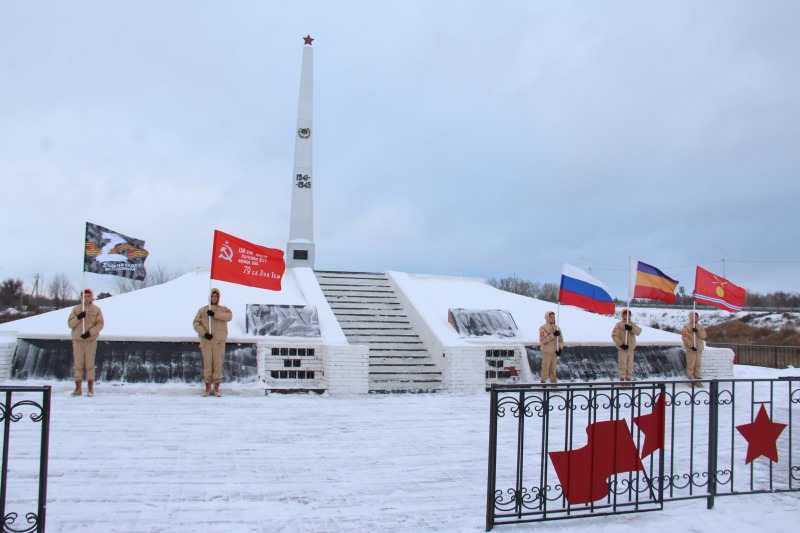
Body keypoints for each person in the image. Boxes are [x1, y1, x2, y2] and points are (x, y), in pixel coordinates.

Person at [193, 288, 233, 397]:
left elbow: (229, 316)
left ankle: (216, 388)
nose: (214, 298)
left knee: (218, 365)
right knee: (207, 365)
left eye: (216, 296)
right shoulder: (202, 310)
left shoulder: (223, 309)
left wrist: (215, 314)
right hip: (207, 342)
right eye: (212, 296)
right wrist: (204, 333)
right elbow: (196, 323)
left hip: (219, 343)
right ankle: (207, 389)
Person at [67, 288, 105, 397]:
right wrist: (79, 317)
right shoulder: (76, 309)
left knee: (90, 365)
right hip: (78, 341)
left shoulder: (96, 310)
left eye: (89, 296)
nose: (87, 298)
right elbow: (70, 324)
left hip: (90, 341)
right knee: (78, 364)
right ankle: (78, 388)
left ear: (92, 297)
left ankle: (90, 389)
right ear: (81, 298)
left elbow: (100, 324)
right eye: (85, 296)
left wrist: (90, 333)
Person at [611, 309, 641, 383]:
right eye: (626, 315)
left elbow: (639, 331)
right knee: (623, 365)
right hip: (623, 349)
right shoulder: (619, 325)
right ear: (623, 316)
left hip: (631, 350)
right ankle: (622, 380)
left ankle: (628, 380)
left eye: (629, 315)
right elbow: (614, 335)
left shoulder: (633, 324)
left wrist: (631, 329)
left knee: (630, 366)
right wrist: (621, 344)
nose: (628, 317)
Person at [681, 311, 708, 384]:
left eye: (697, 317)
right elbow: (684, 338)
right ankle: (691, 379)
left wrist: (697, 331)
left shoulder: (699, 326)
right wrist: (691, 345)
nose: (696, 318)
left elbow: (704, 336)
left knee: (698, 365)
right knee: (691, 365)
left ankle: (697, 378)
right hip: (691, 350)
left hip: (699, 349)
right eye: (695, 317)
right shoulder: (686, 327)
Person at [539, 311, 564, 384]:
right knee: (545, 369)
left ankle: (554, 385)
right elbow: (543, 340)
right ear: (547, 318)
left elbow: (561, 340)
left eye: (553, 317)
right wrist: (553, 335)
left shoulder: (557, 328)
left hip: (555, 352)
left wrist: (560, 348)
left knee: (553, 371)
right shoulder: (543, 328)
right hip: (547, 352)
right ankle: (543, 385)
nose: (553, 318)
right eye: (551, 317)